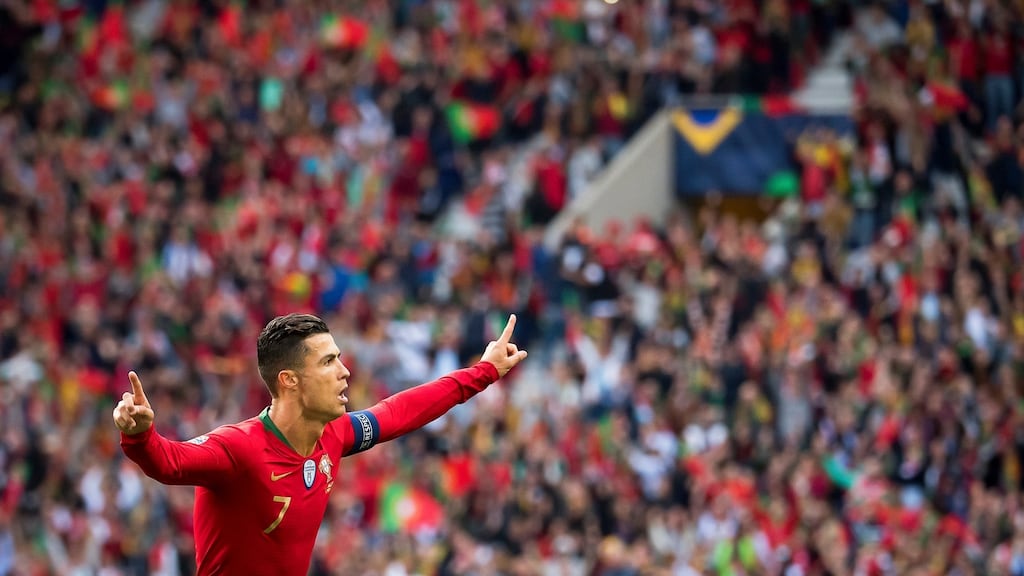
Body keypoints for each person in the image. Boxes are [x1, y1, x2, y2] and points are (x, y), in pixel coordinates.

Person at [112, 312, 528, 575]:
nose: (345, 372)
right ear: (289, 380)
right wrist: (139, 434)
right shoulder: (239, 449)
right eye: (328, 362)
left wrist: (483, 372)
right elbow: (170, 462)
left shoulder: (334, 436)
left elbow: (399, 411)